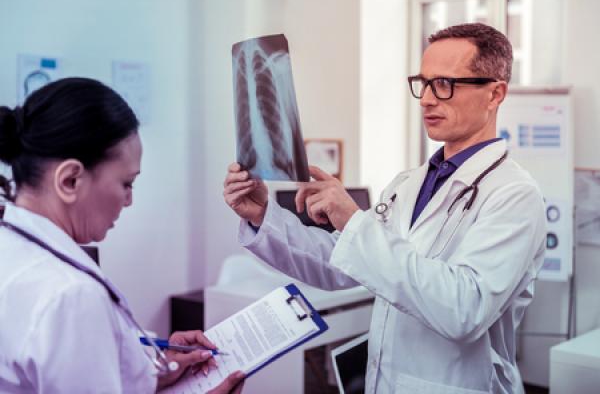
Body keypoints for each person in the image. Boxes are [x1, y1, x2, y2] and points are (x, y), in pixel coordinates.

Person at [224, 23, 546, 394]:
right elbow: (341, 267)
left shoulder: (514, 195)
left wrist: (353, 222)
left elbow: (465, 310)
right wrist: (264, 216)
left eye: (444, 84)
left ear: (495, 94)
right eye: (422, 83)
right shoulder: (408, 184)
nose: (426, 99)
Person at [0, 77, 244, 393]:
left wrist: (146, 368)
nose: (129, 201)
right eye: (126, 184)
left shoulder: (11, 244)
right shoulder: (69, 297)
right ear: (71, 181)